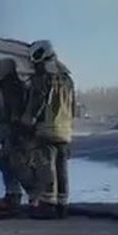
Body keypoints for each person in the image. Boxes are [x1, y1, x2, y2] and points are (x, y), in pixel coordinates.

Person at [22, 40, 76, 219]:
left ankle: (47, 205)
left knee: (46, 167)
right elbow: (73, 106)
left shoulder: (43, 77)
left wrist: (27, 122)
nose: (33, 62)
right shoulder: (67, 78)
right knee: (62, 167)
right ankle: (62, 205)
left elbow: (36, 103)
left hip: (46, 130)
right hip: (64, 131)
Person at [0, 58, 33, 209]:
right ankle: (13, 195)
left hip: (13, 132)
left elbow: (14, 111)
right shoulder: (8, 86)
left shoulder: (11, 87)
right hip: (9, 131)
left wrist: (14, 131)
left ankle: (33, 195)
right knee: (7, 163)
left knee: (16, 164)